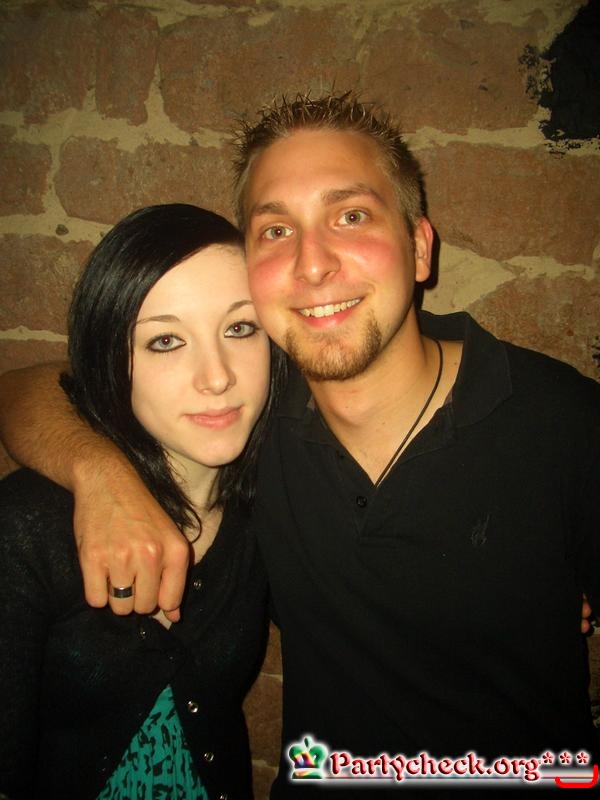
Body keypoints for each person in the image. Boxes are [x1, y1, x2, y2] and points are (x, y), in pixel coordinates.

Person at [1, 92, 599, 797]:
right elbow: (40, 385)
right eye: (277, 229)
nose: (312, 264)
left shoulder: (562, 423)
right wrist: (101, 476)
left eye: (351, 216)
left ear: (419, 247)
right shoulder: (250, 418)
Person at [0, 203, 286, 800]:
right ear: (111, 360)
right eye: (165, 341)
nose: (217, 377)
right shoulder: (27, 527)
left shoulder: (273, 514)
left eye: (240, 328)